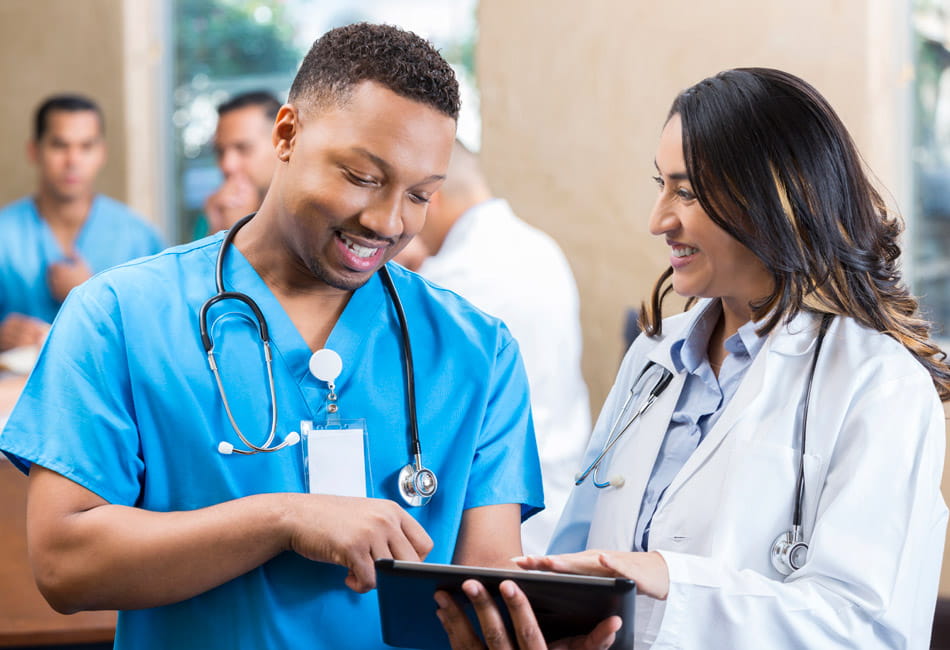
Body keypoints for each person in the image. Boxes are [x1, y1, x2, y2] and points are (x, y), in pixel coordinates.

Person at [0, 23, 542, 649]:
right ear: (287, 135)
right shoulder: (119, 316)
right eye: (363, 177)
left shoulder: (478, 352)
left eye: (420, 195)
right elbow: (65, 565)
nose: (388, 222)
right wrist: (283, 518)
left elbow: (485, 592)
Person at [436, 67, 950, 649]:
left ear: (773, 198)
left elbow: (865, 631)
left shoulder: (879, 384)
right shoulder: (654, 359)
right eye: (661, 185)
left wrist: (668, 581)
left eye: (686, 191)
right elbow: (582, 562)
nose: (659, 219)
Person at [395, 140, 591, 555]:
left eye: (414, 198)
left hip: (504, 500)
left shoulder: (453, 281)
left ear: (437, 195)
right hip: (560, 480)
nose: (400, 221)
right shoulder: (537, 246)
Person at [0, 94, 164, 352]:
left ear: (102, 153)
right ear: (35, 151)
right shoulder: (5, 234)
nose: (73, 161)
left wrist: (91, 297)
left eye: (86, 146)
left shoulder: (138, 238)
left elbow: (160, 336)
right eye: (59, 145)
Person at [199, 90, 281, 237]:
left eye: (244, 149)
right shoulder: (216, 213)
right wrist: (216, 233)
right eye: (220, 152)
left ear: (283, 144)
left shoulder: (310, 215)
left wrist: (238, 232)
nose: (227, 165)